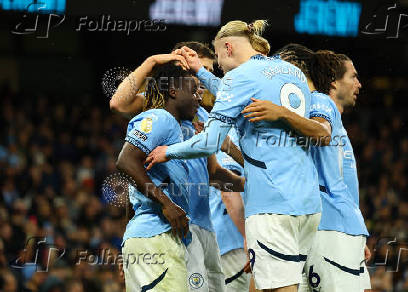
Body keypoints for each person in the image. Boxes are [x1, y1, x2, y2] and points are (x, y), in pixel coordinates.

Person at [145, 20, 321, 292]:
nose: (217, 66)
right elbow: (236, 92)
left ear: (227, 47)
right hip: (308, 203)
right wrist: (200, 73)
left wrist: (169, 151)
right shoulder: (291, 72)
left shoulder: (238, 78)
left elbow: (211, 141)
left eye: (216, 58)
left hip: (271, 205)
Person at [111, 41, 245, 292]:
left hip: (203, 228)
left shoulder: (205, 117)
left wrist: (250, 180)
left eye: (204, 73)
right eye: (195, 73)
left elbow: (214, 174)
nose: (201, 82)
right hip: (172, 226)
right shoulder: (157, 112)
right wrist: (152, 62)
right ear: (173, 85)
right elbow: (118, 104)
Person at [242, 46, 371, 291]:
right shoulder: (319, 103)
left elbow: (322, 140)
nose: (359, 84)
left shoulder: (323, 108)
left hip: (339, 225)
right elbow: (318, 134)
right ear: (333, 82)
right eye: (353, 76)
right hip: (328, 225)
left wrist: (356, 232)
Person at [116, 62, 196, 291]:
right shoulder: (161, 118)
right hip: (155, 239)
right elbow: (126, 161)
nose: (198, 98)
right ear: (173, 90)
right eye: (192, 91)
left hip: (151, 238)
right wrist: (167, 203)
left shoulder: (175, 132)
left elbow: (135, 185)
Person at [209, 127, 250, 292]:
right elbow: (228, 191)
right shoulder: (232, 135)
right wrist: (248, 234)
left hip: (223, 238)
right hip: (233, 240)